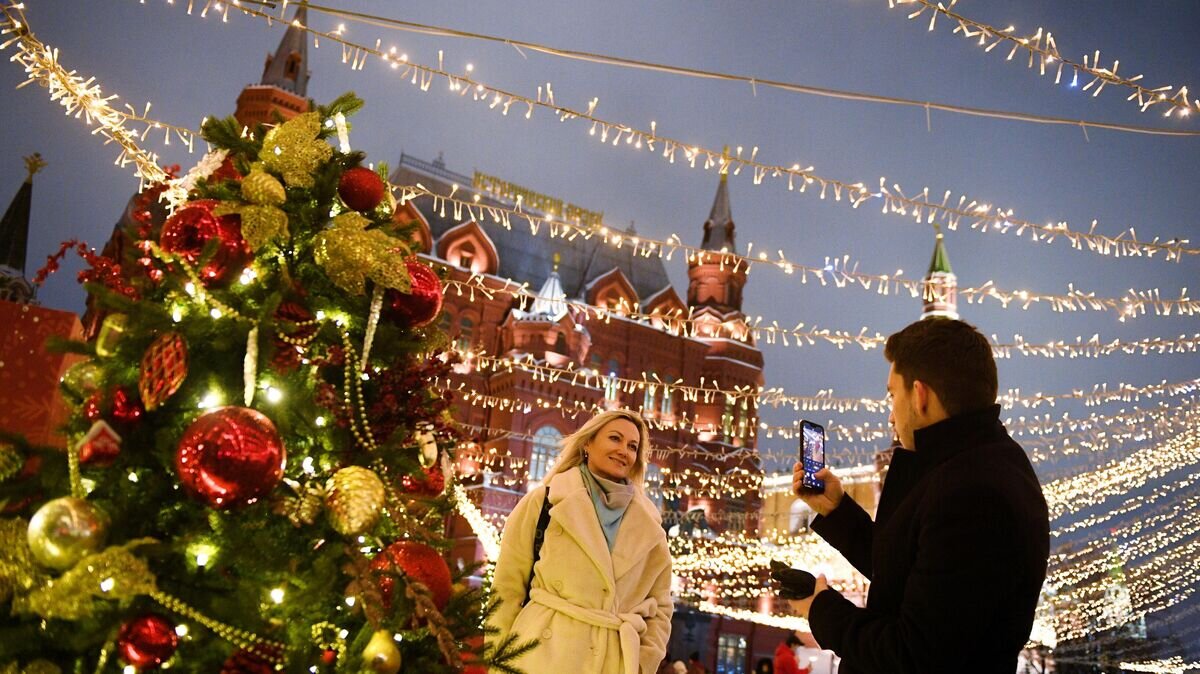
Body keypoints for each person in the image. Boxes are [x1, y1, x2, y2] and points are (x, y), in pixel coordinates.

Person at [790, 318, 1050, 674]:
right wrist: (836, 511)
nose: (891, 413)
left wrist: (822, 610)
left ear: (921, 395)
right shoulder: (974, 466)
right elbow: (910, 570)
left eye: (893, 395)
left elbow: (915, 654)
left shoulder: (973, 493)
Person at [488, 409, 674, 674]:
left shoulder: (650, 525)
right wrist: (497, 658)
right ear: (588, 442)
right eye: (615, 438)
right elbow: (506, 587)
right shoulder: (545, 500)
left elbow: (661, 605)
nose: (623, 450)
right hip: (539, 653)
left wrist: (643, 662)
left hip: (611, 661)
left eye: (632, 446)